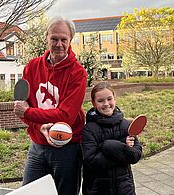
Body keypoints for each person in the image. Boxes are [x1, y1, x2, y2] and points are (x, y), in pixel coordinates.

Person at [13, 16, 87, 195]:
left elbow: (65, 116)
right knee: (29, 192)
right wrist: (40, 126)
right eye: (54, 38)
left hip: (67, 148)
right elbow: (21, 109)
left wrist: (29, 112)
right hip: (37, 146)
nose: (59, 44)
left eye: (64, 39)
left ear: (70, 41)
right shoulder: (31, 67)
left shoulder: (78, 73)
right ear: (46, 38)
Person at [82, 82, 142, 195]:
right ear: (93, 103)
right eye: (100, 101)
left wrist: (104, 149)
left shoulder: (126, 125)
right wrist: (119, 147)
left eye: (109, 99)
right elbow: (92, 161)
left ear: (115, 99)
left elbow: (135, 155)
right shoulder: (88, 129)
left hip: (125, 188)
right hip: (97, 189)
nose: (106, 104)